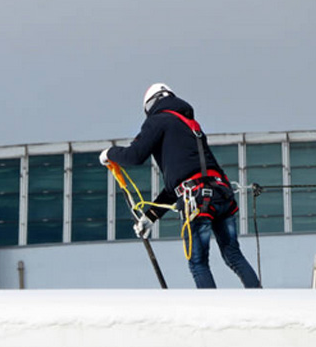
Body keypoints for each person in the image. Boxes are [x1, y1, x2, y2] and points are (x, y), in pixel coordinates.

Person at [99, 83, 260, 289]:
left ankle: (211, 312)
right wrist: (150, 217)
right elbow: (176, 186)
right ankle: (259, 297)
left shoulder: (157, 121)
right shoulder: (191, 125)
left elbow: (135, 155)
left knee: (198, 263)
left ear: (150, 106)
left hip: (197, 200)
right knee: (233, 255)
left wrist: (109, 153)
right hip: (221, 193)